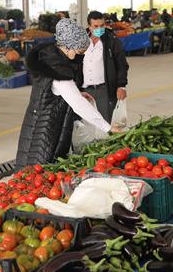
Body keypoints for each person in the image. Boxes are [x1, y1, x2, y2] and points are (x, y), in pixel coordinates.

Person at [15, 19, 121, 166]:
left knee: (35, 166)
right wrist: (107, 128)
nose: (81, 57)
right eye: (80, 52)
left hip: (44, 121)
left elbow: (53, 92)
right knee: (37, 167)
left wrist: (76, 93)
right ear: (69, 48)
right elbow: (79, 105)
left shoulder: (51, 58)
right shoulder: (58, 71)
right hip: (44, 130)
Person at [82, 11, 129, 123]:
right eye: (96, 26)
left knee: (106, 123)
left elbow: (122, 64)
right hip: (84, 91)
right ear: (89, 26)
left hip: (104, 90)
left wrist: (121, 86)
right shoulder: (81, 41)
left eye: (102, 25)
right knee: (86, 123)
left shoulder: (112, 41)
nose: (99, 29)